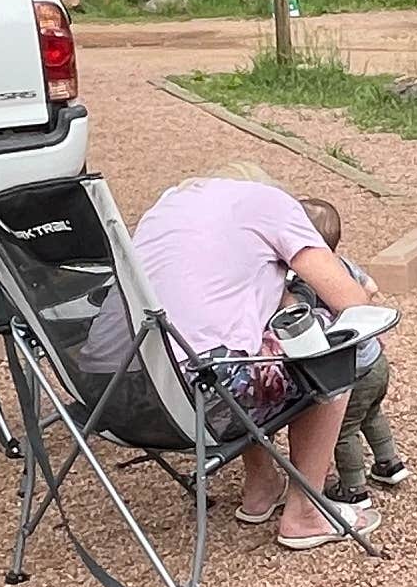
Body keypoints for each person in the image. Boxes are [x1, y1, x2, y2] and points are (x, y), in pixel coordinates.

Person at [106, 172, 384, 548]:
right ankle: (306, 513)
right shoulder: (273, 205)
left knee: (244, 343)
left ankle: (262, 487)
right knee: (330, 346)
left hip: (117, 398)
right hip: (200, 399)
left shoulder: (166, 206)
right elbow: (352, 302)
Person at [296, 199, 411, 506]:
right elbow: (371, 287)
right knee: (372, 413)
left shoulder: (308, 281)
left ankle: (353, 488)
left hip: (353, 371)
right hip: (375, 360)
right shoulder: (343, 264)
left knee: (344, 428)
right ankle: (389, 463)